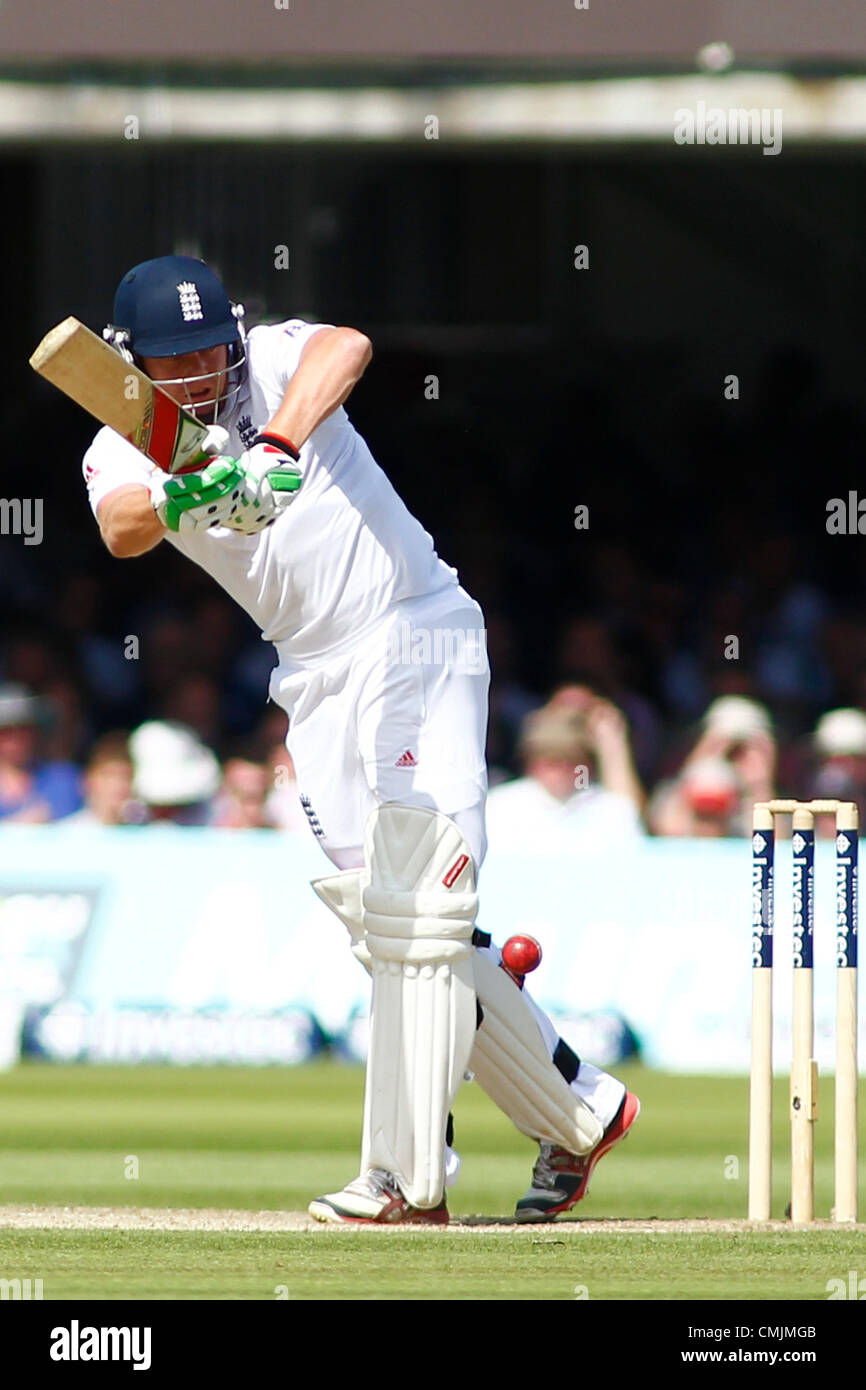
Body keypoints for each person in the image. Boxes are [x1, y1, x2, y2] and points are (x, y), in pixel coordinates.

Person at [82, 254, 638, 1223]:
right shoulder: (123, 439)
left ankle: (407, 1182)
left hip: (412, 624)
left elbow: (348, 344)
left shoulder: (273, 361)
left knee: (418, 903)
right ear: (134, 362)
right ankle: (581, 1108)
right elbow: (119, 526)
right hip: (311, 672)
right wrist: (189, 495)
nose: (205, 370)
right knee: (386, 925)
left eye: (213, 345)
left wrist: (277, 447)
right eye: (178, 359)